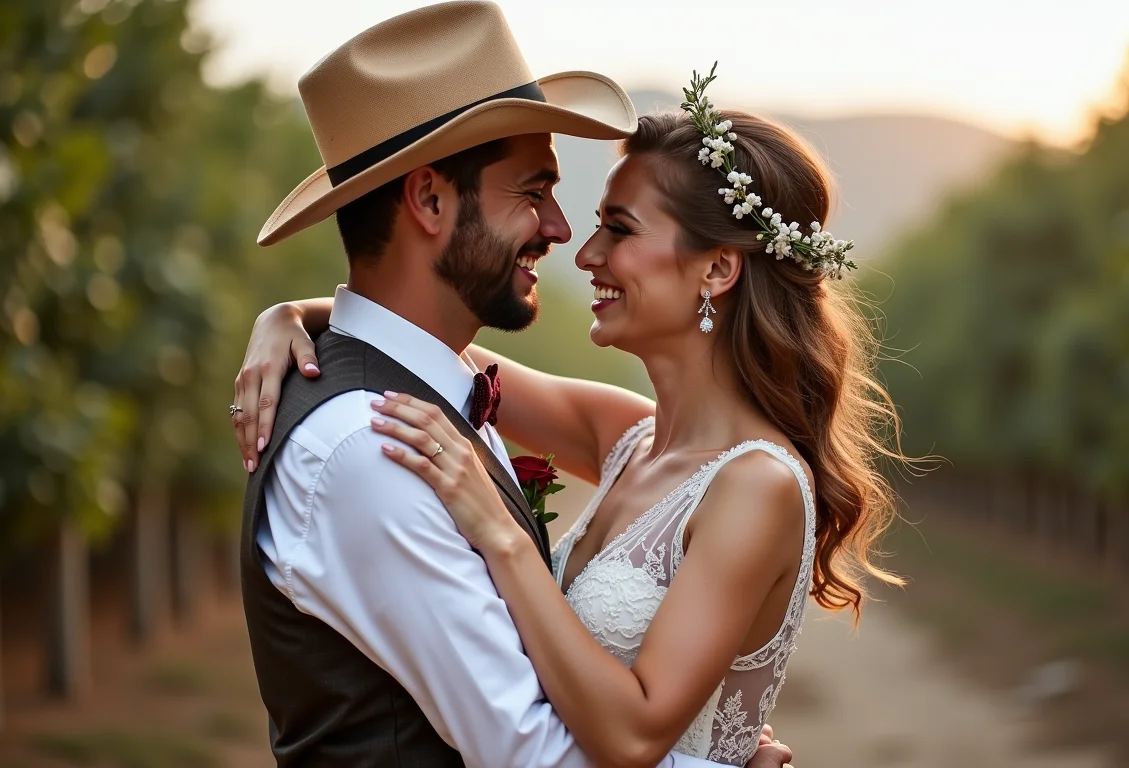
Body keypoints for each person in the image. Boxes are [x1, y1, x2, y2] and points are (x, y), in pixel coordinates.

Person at [237, 23, 906, 761]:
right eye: (542, 197)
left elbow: (626, 734)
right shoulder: (626, 435)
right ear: (426, 200)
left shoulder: (754, 485)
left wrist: (502, 538)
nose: (579, 248)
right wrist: (293, 316)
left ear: (717, 270)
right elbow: (419, 346)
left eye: (617, 230)